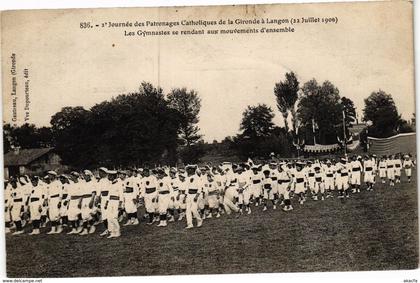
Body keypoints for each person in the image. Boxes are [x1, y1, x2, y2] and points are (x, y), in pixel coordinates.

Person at [106, 170, 124, 238]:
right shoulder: (110, 184)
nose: (108, 177)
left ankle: (117, 231)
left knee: (114, 217)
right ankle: (112, 232)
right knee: (109, 217)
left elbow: (121, 195)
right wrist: (106, 203)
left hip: (116, 202)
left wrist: (120, 204)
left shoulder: (119, 184)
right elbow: (109, 195)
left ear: (113, 176)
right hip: (110, 202)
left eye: (110, 176)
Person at [185, 165, 203, 229]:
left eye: (190, 169)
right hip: (189, 195)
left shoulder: (197, 177)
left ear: (193, 170)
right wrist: (186, 195)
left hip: (195, 194)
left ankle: (199, 220)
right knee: (188, 210)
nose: (188, 170)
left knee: (194, 209)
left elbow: (199, 188)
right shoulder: (187, 178)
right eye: (188, 169)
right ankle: (190, 224)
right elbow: (186, 188)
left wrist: (197, 196)